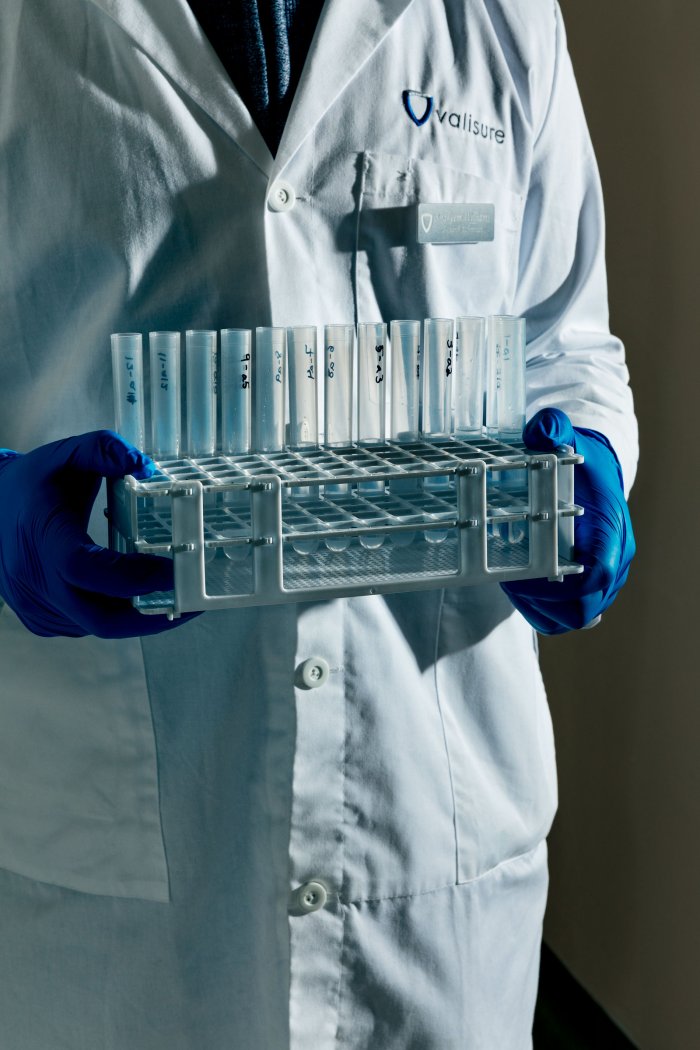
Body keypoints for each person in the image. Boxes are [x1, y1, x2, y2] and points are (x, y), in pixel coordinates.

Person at [0, 1, 636, 1047]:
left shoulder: (501, 17)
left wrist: (594, 465)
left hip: (431, 846)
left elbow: (565, 337)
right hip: (113, 897)